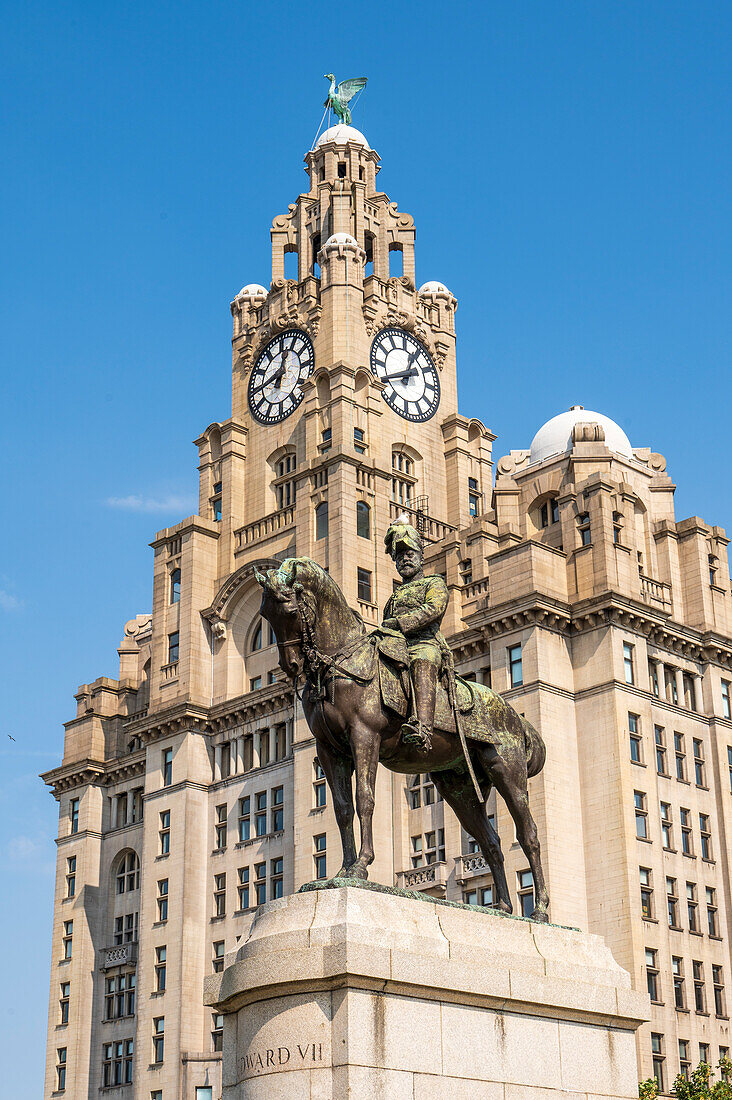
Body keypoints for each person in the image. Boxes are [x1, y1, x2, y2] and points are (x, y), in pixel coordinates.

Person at [382, 520, 449, 749]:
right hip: (397, 647)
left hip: (424, 643)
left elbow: (434, 609)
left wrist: (400, 623)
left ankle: (423, 728)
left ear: (421, 556)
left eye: (410, 554)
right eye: (400, 557)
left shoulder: (434, 583)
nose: (405, 559)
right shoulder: (393, 597)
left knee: (421, 661)